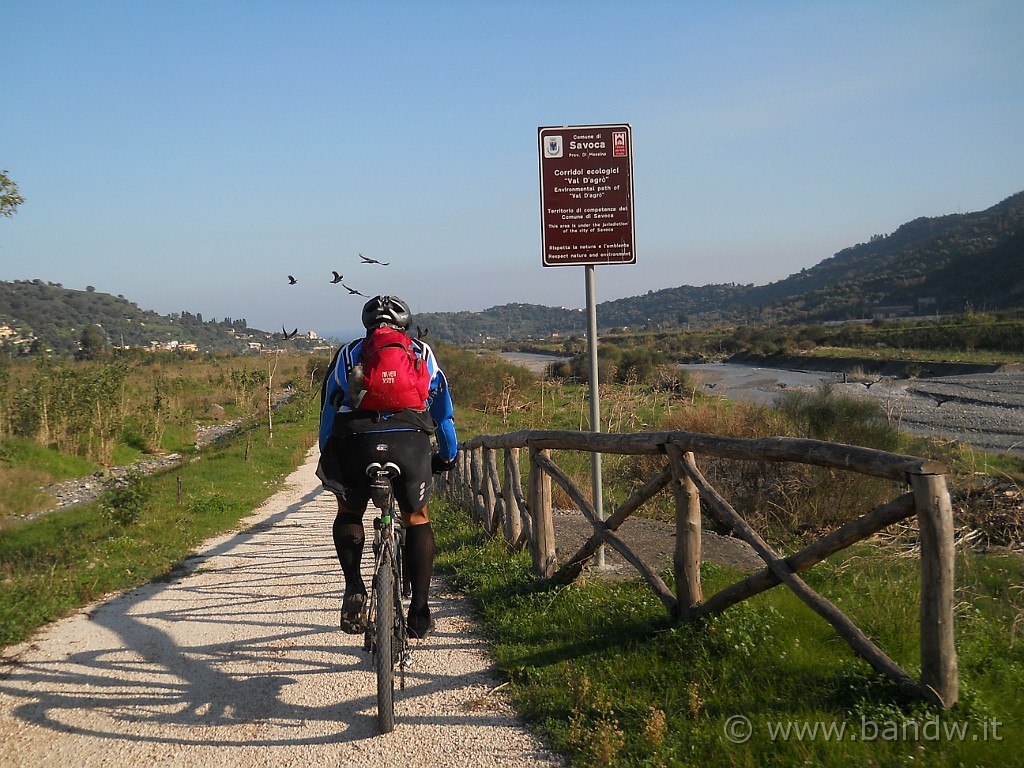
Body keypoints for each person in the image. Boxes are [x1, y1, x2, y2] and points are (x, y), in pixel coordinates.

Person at [316, 295, 458, 639]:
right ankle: (421, 611)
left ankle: (354, 587)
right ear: (405, 324)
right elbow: (442, 410)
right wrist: (449, 454)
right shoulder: (420, 352)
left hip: (357, 442)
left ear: (367, 324)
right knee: (417, 516)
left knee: (349, 513)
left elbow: (329, 412)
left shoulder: (348, 353)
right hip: (409, 442)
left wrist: (328, 455)